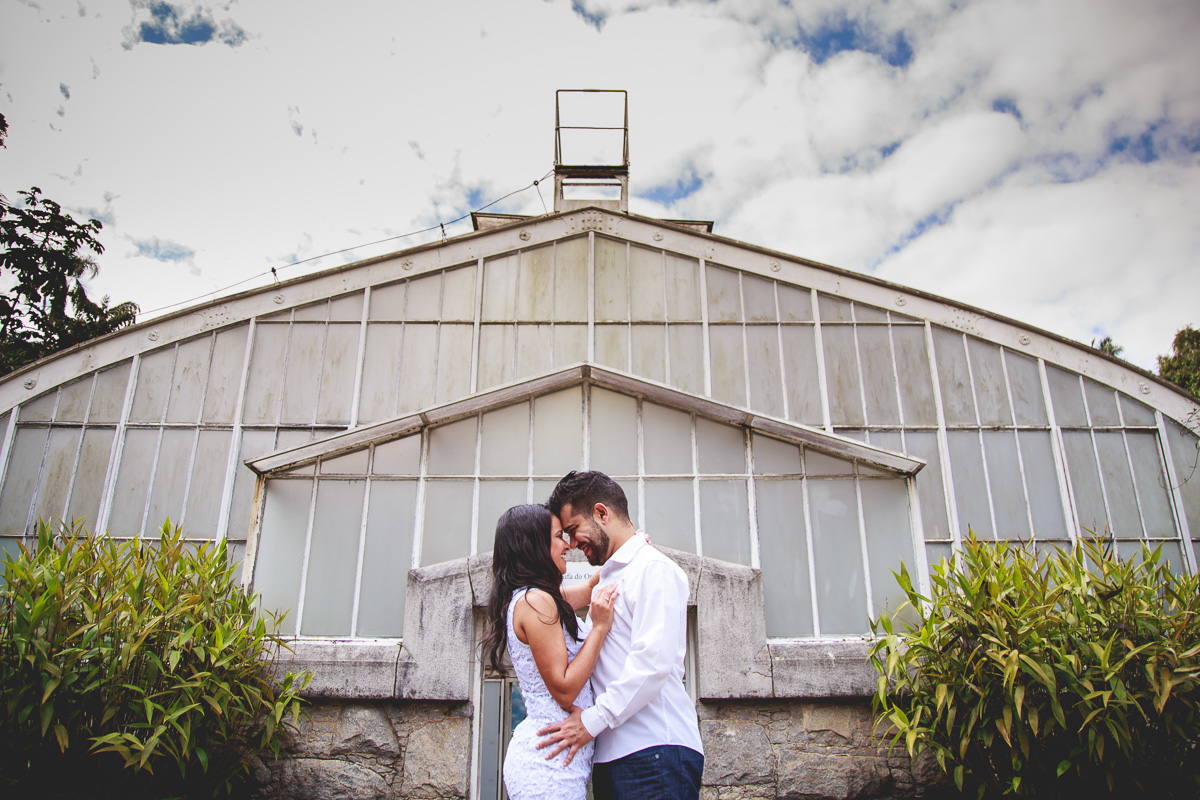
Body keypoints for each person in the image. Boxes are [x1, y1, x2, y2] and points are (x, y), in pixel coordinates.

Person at [538, 470, 705, 800]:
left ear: (602, 513)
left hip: (655, 751)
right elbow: (555, 602)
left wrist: (591, 721)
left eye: (573, 531)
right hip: (614, 756)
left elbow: (652, 665)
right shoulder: (609, 578)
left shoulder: (654, 569)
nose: (571, 545)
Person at [482, 503, 619, 800]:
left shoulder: (540, 598)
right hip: (548, 764)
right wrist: (598, 628)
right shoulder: (536, 602)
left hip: (559, 759)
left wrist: (628, 550)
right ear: (534, 546)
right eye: (559, 536)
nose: (568, 545)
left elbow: (589, 588)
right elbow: (565, 689)